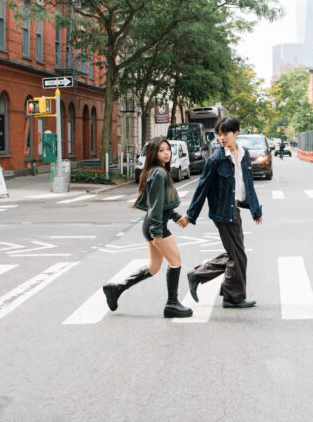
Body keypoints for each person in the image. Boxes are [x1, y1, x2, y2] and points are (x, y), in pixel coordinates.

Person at [102, 137, 192, 318]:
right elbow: (156, 206)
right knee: (175, 263)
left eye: (168, 149)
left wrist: (175, 217)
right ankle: (172, 304)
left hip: (151, 224)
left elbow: (160, 204)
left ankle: (117, 289)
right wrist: (157, 233)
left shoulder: (157, 171)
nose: (166, 153)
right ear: (154, 153)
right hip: (155, 226)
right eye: (161, 150)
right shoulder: (158, 173)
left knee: (153, 267)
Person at [185, 117, 263, 309]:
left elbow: (248, 184)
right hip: (222, 211)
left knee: (235, 254)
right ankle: (230, 296)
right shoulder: (216, 158)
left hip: (234, 208)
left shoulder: (244, 154)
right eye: (218, 134)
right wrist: (190, 215)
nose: (221, 138)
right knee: (237, 255)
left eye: (225, 134)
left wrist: (255, 209)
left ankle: (200, 277)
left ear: (236, 133)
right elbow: (202, 188)